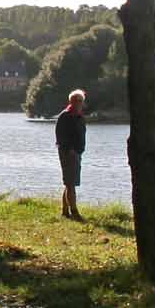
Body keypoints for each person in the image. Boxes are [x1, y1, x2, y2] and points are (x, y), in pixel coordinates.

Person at [55, 88, 87, 220]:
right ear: (71, 101)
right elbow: (60, 136)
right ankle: (74, 212)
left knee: (70, 183)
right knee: (70, 183)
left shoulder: (80, 117)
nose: (79, 103)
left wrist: (79, 150)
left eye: (81, 101)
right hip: (67, 153)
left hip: (77, 153)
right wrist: (70, 150)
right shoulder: (65, 116)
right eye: (76, 100)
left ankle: (64, 210)